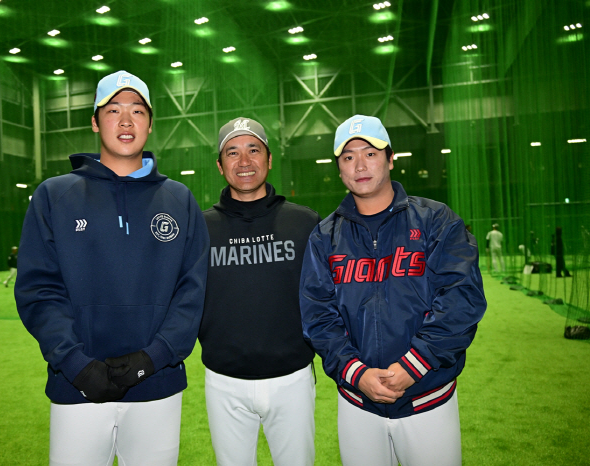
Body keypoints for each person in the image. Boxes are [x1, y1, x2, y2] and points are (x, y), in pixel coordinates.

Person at [14, 70, 210, 466]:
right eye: (113, 110)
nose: (125, 121)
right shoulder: (55, 195)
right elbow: (39, 290)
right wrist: (74, 363)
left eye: (137, 111)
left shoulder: (179, 198)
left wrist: (154, 357)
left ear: (150, 124)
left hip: (157, 385)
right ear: (94, 120)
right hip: (76, 385)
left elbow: (193, 291)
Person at [299, 115, 486, 466]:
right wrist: (356, 372)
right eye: (348, 157)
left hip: (427, 397)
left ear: (390, 157)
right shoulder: (325, 236)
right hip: (358, 402)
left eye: (370, 153)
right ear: (339, 168)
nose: (360, 165)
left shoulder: (436, 220)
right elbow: (317, 316)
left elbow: (462, 299)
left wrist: (414, 365)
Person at [199, 117, 321, 466]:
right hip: (224, 380)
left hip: (292, 377)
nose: (244, 161)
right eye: (233, 152)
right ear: (221, 166)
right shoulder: (201, 228)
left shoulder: (305, 222)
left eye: (254, 150)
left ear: (269, 159)